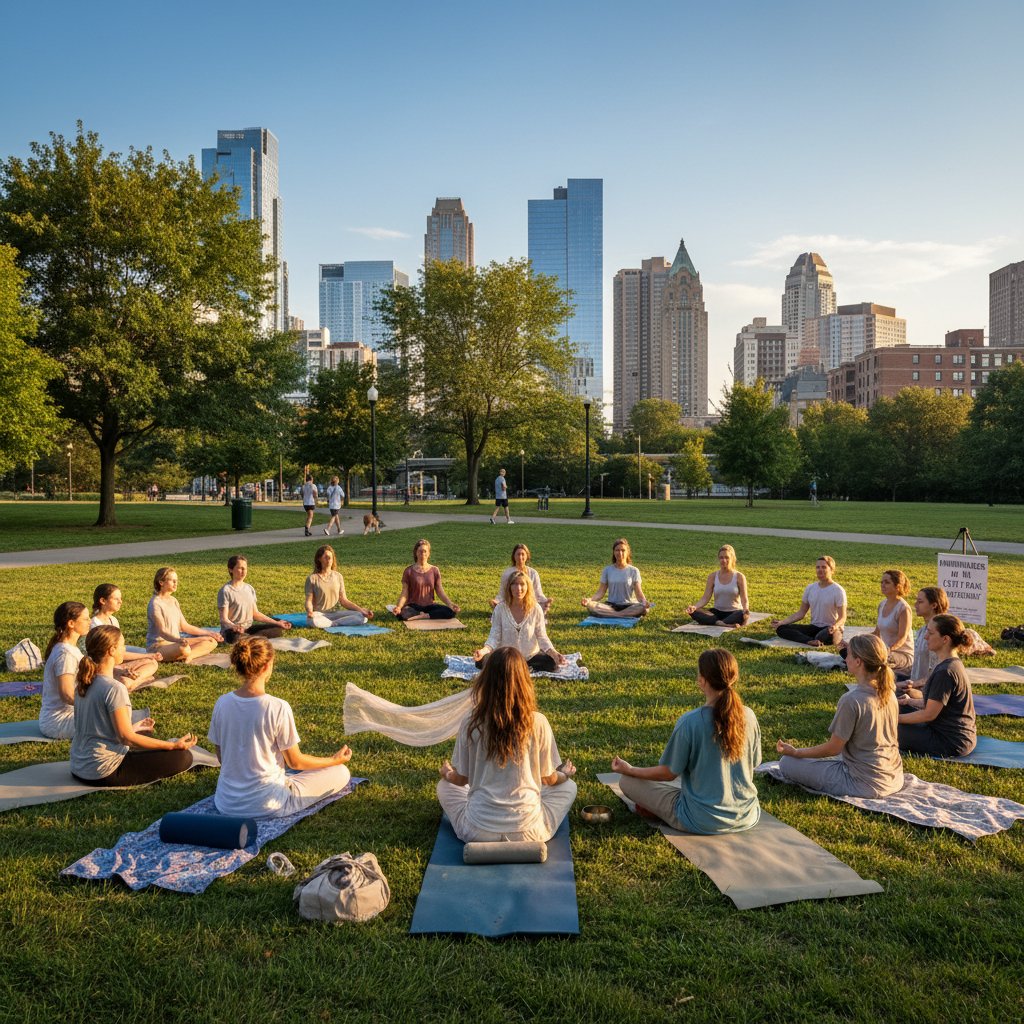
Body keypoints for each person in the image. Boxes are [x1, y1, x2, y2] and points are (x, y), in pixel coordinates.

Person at [610, 648, 761, 834]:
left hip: (700, 819)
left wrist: (630, 770)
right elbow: (754, 762)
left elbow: (668, 774)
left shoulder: (690, 722)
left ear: (702, 680)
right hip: (746, 815)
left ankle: (657, 810)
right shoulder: (749, 716)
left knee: (627, 781)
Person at [437, 647, 577, 842]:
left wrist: (447, 774)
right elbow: (549, 779)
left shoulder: (471, 722)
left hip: (477, 832)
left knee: (445, 786)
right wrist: (565, 775)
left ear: (485, 681)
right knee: (569, 787)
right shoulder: (538, 721)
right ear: (524, 681)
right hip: (529, 832)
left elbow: (460, 780)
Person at [207, 636, 353, 817]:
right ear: (267, 666)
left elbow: (223, 758)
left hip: (226, 803)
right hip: (268, 804)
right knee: (340, 772)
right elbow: (296, 762)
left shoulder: (222, 703)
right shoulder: (277, 707)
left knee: (289, 773)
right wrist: (334, 760)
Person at [775, 634, 904, 797]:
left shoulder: (852, 700)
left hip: (864, 783)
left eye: (848, 654)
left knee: (787, 763)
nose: (846, 658)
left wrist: (796, 753)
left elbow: (833, 748)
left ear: (858, 662)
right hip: (893, 776)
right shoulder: (889, 692)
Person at [70, 626, 198, 787]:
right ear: (111, 650)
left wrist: (135, 727)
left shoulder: (84, 682)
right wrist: (172, 746)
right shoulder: (114, 688)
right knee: (183, 756)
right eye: (122, 645)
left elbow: (96, 727)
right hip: (103, 771)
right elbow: (126, 738)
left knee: (145, 735)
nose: (124, 649)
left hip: (79, 765)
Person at [897, 614, 977, 757]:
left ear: (945, 639)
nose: (926, 636)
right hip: (946, 732)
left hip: (950, 742)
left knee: (885, 726)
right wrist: (908, 701)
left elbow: (929, 714)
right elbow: (936, 704)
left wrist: (894, 718)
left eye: (931, 633)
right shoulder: (949, 663)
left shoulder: (946, 672)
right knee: (900, 706)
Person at [473, 570, 567, 673]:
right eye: (514, 584)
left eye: (522, 584)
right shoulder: (500, 609)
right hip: (506, 656)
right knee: (480, 662)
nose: (518, 588)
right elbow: (494, 637)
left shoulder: (536, 608)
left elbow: (542, 636)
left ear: (528, 587)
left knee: (552, 664)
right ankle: (520, 668)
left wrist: (554, 653)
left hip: (531, 656)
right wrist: (483, 651)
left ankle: (519, 667)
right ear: (509, 587)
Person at [90, 584, 162, 688]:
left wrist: (148, 656)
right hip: (106, 667)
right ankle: (137, 681)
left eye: (120, 598)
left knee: (152, 662)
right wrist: (147, 656)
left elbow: (120, 651)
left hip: (116, 660)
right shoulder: (96, 625)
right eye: (116, 599)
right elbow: (109, 656)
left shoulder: (113, 620)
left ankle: (136, 680)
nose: (120, 602)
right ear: (103, 601)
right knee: (147, 662)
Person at [146, 567, 223, 661]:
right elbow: (162, 631)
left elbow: (184, 626)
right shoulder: (155, 603)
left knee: (212, 641)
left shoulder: (174, 601)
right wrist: (178, 640)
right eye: (172, 581)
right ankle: (188, 653)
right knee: (183, 648)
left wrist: (210, 633)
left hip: (176, 642)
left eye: (176, 581)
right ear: (161, 582)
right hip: (159, 646)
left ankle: (190, 656)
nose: (176, 583)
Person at [39, 601, 90, 739]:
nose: (89, 622)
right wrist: (93, 706)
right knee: (109, 722)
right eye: (85, 619)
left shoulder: (69, 648)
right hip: (57, 721)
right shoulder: (65, 654)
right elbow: (67, 695)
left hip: (70, 714)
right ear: (71, 623)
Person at [771, 555, 846, 646]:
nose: (820, 570)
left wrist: (835, 626)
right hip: (814, 627)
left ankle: (814, 639)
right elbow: (801, 613)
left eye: (824, 567)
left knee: (826, 635)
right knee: (781, 629)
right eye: (817, 567)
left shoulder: (838, 590)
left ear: (832, 570)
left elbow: (842, 617)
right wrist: (782, 622)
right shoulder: (810, 588)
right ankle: (810, 641)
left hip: (830, 630)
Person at [217, 556, 293, 643]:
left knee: (277, 629)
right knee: (235, 638)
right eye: (240, 568)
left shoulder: (249, 588)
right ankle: (253, 638)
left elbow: (255, 613)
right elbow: (224, 619)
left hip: (248, 628)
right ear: (231, 570)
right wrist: (235, 627)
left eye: (245, 568)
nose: (243, 571)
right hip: (232, 631)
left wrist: (277, 623)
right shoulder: (225, 591)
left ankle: (251, 638)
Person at [304, 545, 372, 628]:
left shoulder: (338, 576)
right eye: (325, 557)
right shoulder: (312, 578)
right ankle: (337, 623)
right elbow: (308, 600)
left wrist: (361, 610)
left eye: (330, 557)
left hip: (336, 613)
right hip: (319, 614)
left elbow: (344, 600)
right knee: (312, 620)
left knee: (362, 617)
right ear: (319, 559)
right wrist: (310, 612)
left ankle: (333, 623)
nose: (328, 559)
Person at [393, 539, 461, 621]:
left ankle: (422, 616)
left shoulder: (435, 570)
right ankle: (422, 615)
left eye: (425, 551)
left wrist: (451, 604)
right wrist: (399, 607)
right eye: (420, 551)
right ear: (416, 553)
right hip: (413, 606)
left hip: (430, 606)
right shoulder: (408, 571)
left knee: (450, 612)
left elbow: (440, 591)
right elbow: (404, 592)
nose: (423, 553)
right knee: (401, 615)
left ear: (429, 553)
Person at [582, 537, 650, 618]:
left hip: (629, 605)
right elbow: (600, 593)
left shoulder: (634, 570)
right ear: (613, 552)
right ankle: (621, 615)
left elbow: (639, 594)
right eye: (617, 550)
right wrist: (589, 599)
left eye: (623, 550)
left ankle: (614, 615)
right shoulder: (607, 570)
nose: (620, 553)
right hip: (611, 606)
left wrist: (644, 602)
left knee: (643, 608)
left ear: (628, 552)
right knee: (591, 605)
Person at [685, 544, 750, 626]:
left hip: (734, 612)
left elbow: (744, 599)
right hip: (717, 612)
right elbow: (705, 597)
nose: (724, 560)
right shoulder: (712, 576)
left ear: (732, 559)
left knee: (742, 615)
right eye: (721, 557)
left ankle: (717, 622)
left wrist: (746, 609)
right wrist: (694, 607)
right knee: (694, 612)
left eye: (727, 557)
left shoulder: (739, 577)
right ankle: (722, 623)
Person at [900, 586, 949, 689]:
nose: (915, 605)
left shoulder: (938, 634)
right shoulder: (922, 631)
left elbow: (937, 671)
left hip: (928, 691)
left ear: (934, 605)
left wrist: (913, 686)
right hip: (915, 686)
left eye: (920, 602)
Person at [490, 543, 552, 613]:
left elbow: (538, 592)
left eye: (523, 554)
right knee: (502, 607)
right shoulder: (507, 573)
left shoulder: (533, 573)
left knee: (539, 607)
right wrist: (497, 601)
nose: (520, 557)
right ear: (514, 556)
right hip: (512, 601)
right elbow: (503, 592)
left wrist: (544, 601)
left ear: (527, 556)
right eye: (518, 554)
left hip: (528, 602)